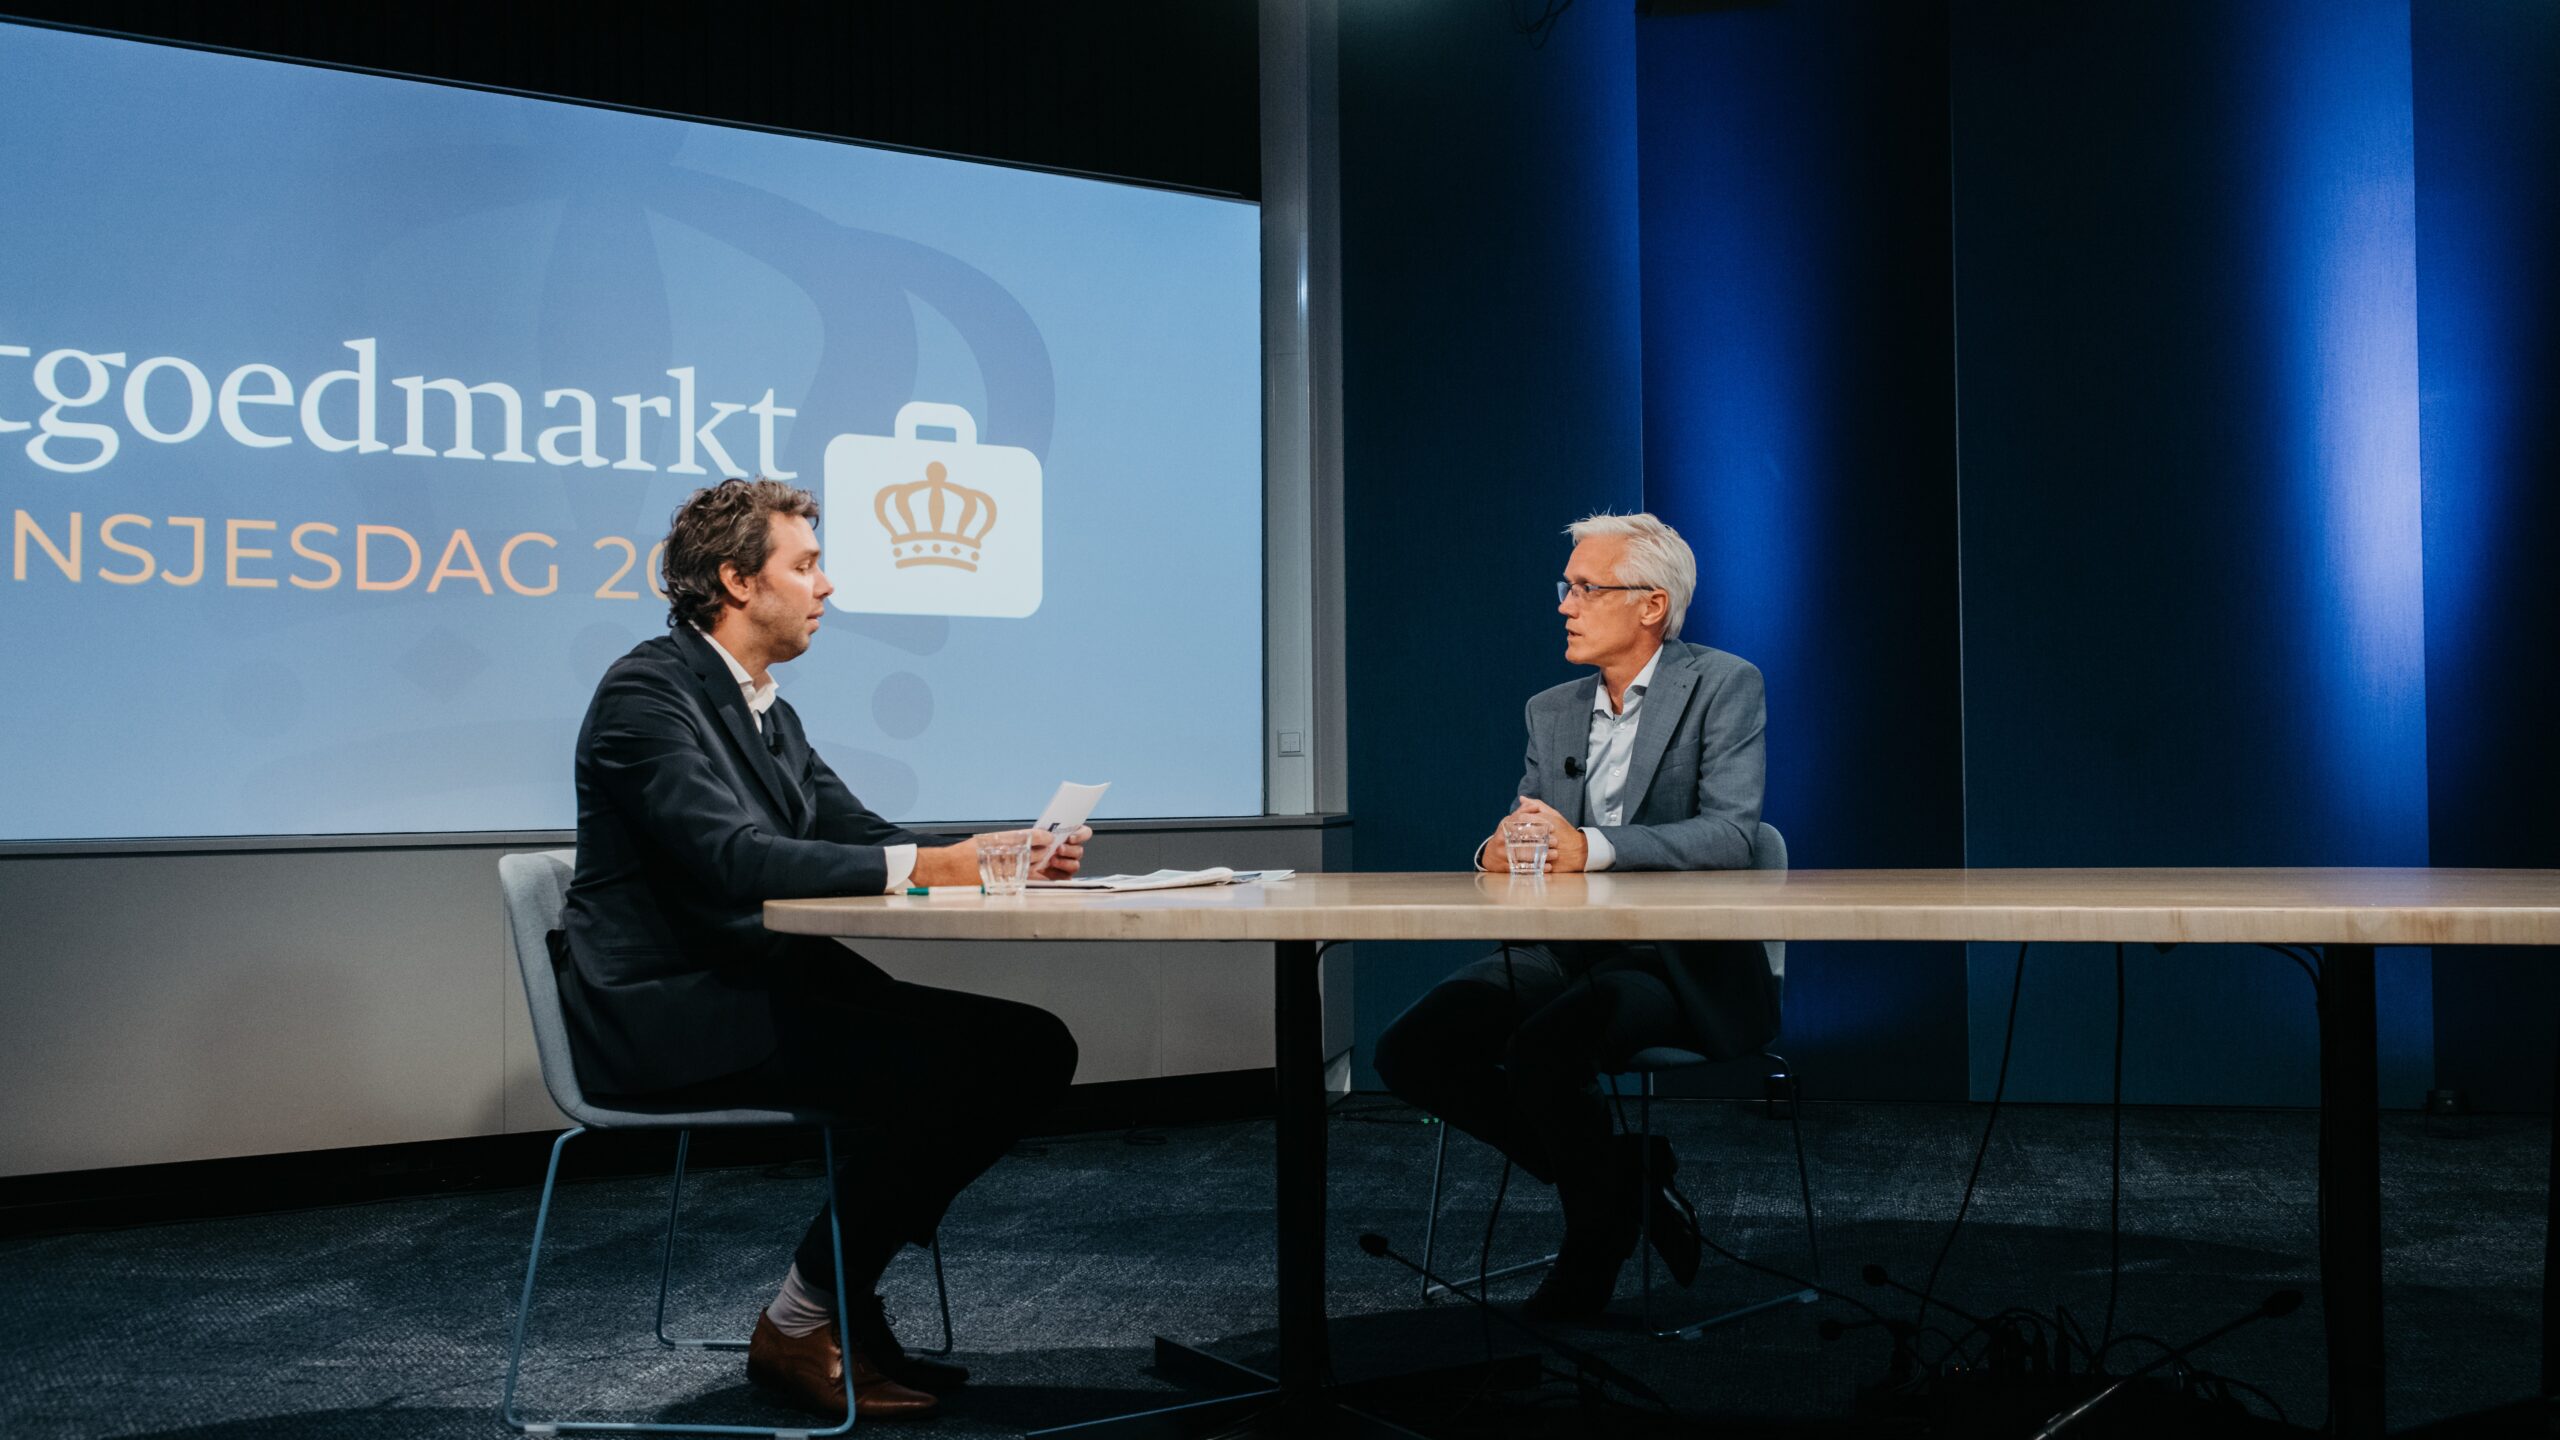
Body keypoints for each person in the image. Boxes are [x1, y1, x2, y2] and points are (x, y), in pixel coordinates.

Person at [555, 477, 1086, 1421]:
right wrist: (938, 864)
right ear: (735, 579)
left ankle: (835, 1300)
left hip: (761, 983)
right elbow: (731, 859)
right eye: (805, 566)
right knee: (942, 1071)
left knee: (1031, 1045)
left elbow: (861, 833)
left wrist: (1003, 857)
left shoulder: (768, 710)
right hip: (674, 1009)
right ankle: (804, 1315)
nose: (827, 587)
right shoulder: (647, 694)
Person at [1371, 511, 1778, 1322]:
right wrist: (1497, 846)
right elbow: (1526, 826)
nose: (1565, 604)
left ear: (1651, 606)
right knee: (1411, 1050)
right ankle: (1620, 1178)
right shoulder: (1551, 708)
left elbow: (1733, 834)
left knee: (1543, 1053)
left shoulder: (1724, 684)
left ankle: (1594, 1242)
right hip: (1561, 948)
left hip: (1673, 957)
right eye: (1568, 586)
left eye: (1586, 588)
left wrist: (1589, 847)